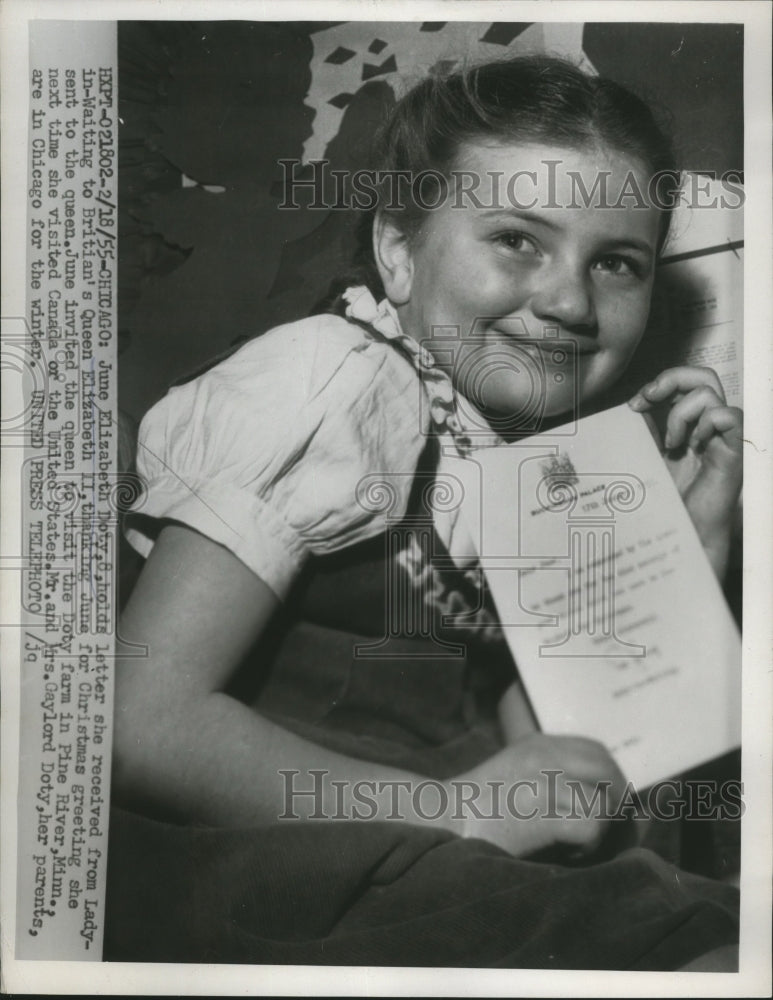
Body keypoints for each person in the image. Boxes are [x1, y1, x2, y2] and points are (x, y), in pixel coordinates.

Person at [106, 55, 742, 969]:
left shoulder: (540, 467)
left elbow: (570, 782)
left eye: (615, 262)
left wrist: (685, 544)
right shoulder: (331, 380)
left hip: (418, 869)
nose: (569, 300)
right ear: (398, 251)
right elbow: (139, 725)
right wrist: (457, 811)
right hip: (244, 871)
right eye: (518, 239)